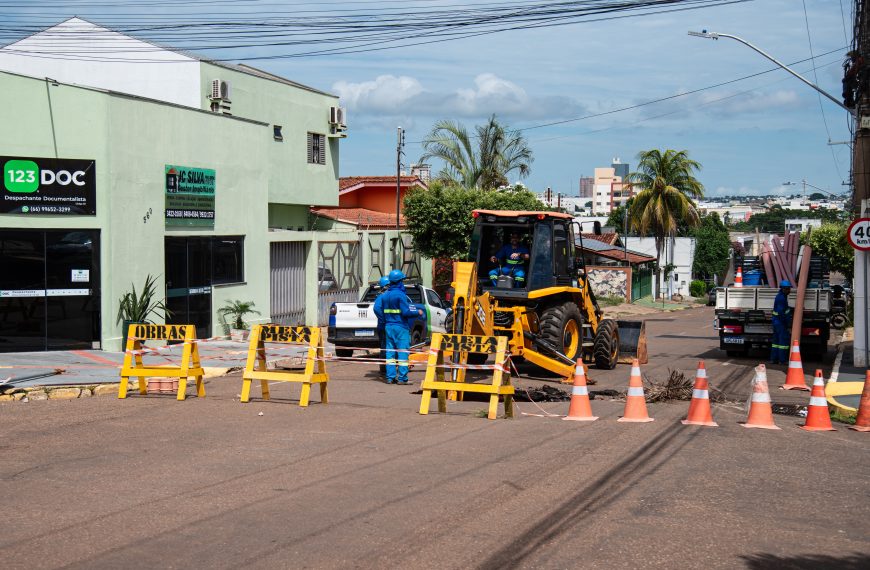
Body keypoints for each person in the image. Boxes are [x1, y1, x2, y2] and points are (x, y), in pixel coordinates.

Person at [374, 269, 422, 384]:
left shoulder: (385, 296)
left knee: (390, 353)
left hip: (388, 327)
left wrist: (384, 320)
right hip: (400, 327)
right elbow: (406, 312)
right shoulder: (401, 295)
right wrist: (417, 312)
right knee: (402, 353)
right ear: (400, 281)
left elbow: (378, 309)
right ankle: (402, 378)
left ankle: (390, 378)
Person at [770, 280, 793, 365]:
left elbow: (784, 308)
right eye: (787, 289)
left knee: (776, 342)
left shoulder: (781, 296)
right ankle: (782, 360)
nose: (789, 290)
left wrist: (790, 308)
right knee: (783, 342)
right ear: (783, 289)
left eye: (789, 288)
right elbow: (781, 312)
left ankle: (773, 359)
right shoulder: (781, 298)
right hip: (780, 323)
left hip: (776, 322)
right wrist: (787, 323)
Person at [373, 276, 390, 377]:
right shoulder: (383, 296)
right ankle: (384, 370)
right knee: (385, 347)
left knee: (387, 347)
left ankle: (387, 369)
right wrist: (384, 320)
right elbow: (377, 309)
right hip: (384, 325)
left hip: (385, 324)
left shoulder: (384, 295)